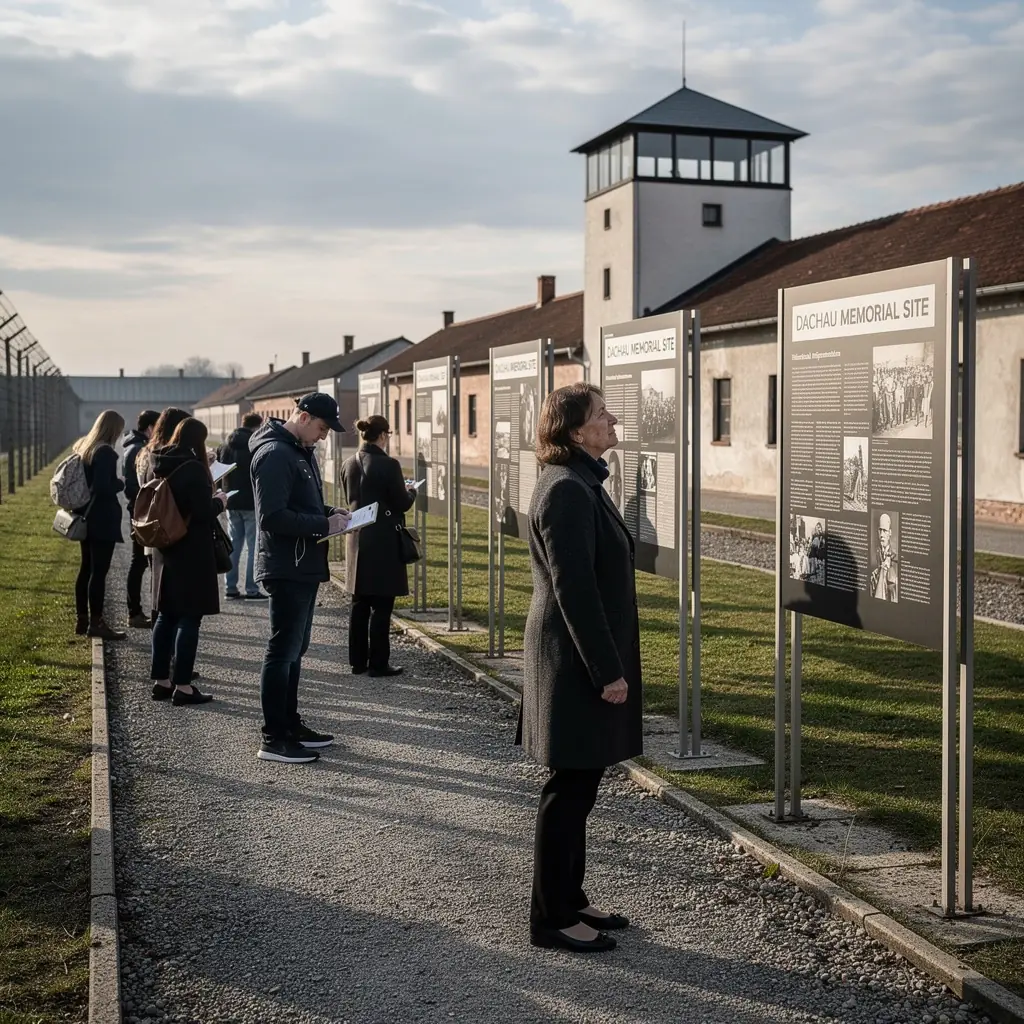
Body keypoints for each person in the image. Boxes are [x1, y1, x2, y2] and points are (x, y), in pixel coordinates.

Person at [517, 382, 642, 954]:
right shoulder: (567, 490)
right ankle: (551, 917)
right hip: (572, 663)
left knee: (581, 784)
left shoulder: (581, 482)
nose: (612, 420)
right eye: (600, 415)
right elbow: (576, 591)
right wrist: (605, 671)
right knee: (568, 788)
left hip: (576, 658)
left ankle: (570, 896)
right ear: (574, 432)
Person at [251, 393, 350, 764]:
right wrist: (324, 524)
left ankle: (290, 724)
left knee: (295, 650)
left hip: (301, 563)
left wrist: (329, 512)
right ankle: (274, 737)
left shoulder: (295, 450)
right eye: (322, 428)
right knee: (283, 651)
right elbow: (272, 516)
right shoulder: (276, 453)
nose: (323, 437)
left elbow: (297, 504)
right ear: (304, 417)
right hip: (287, 565)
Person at [149, 417, 227, 705]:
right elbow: (203, 512)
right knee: (190, 618)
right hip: (191, 551)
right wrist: (220, 500)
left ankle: (161, 680)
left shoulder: (161, 461)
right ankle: (183, 685)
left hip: (165, 547)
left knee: (165, 614)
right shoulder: (193, 469)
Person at [340, 415, 416, 678]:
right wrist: (412, 491)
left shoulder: (348, 463)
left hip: (357, 540)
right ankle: (379, 664)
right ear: (383, 435)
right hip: (383, 541)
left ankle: (357, 661)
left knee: (359, 604)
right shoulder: (389, 464)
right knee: (382, 605)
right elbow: (401, 503)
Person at [73, 409, 128, 640]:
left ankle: (82, 619)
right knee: (99, 572)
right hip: (101, 518)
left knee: (86, 569)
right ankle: (96, 622)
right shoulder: (105, 452)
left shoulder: (84, 447)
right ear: (113, 429)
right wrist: (120, 484)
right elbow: (102, 486)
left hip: (86, 514)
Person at [218, 413, 264, 599]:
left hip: (231, 501)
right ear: (256, 426)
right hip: (251, 502)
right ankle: (252, 589)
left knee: (233, 545)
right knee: (253, 546)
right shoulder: (254, 446)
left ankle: (230, 587)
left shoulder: (225, 445)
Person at [123, 409, 160, 628]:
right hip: (141, 513)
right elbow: (132, 487)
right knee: (140, 562)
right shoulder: (138, 450)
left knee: (141, 562)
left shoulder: (133, 447)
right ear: (149, 428)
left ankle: (136, 611)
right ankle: (135, 612)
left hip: (138, 512)